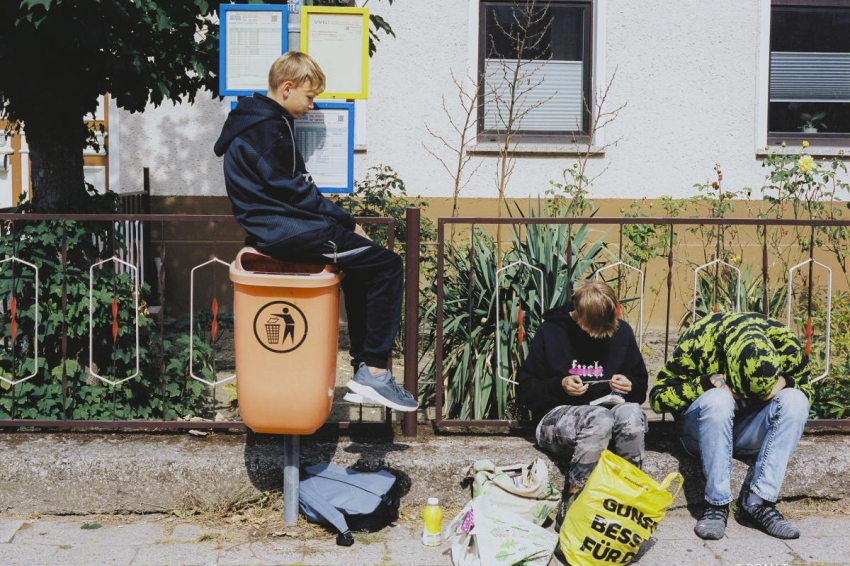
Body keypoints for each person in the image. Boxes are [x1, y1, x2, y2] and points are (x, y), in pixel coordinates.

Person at [213, 51, 417, 412]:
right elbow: (295, 190)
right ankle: (374, 371)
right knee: (388, 265)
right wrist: (346, 220)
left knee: (361, 266)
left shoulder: (252, 122)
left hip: (275, 229)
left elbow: (283, 188)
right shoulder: (269, 128)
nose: (312, 104)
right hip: (289, 230)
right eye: (309, 96)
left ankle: (363, 369)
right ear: (287, 88)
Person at [650, 311, 813, 541]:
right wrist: (708, 383)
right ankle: (716, 505)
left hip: (746, 433)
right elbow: (658, 398)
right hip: (701, 434)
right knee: (719, 400)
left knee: (796, 400)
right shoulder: (701, 338)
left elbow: (808, 390)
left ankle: (759, 502)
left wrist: (787, 382)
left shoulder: (784, 342)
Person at [516, 280, 649, 531]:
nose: (600, 331)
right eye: (594, 325)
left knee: (632, 413)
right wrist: (560, 386)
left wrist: (631, 385)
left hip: (609, 415)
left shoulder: (621, 332)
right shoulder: (551, 332)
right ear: (580, 315)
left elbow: (640, 386)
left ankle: (627, 501)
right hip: (556, 419)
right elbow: (526, 390)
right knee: (599, 417)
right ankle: (574, 500)